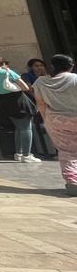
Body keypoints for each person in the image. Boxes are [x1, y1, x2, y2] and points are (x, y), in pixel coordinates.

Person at [0, 56, 38, 162]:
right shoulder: (7, 72)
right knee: (26, 128)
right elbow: (25, 87)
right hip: (17, 100)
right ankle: (27, 155)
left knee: (18, 128)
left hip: (3, 102)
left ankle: (18, 153)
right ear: (0, 64)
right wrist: (8, 70)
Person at [34, 54, 77, 195]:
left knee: (66, 151)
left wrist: (46, 119)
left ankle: (72, 182)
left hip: (56, 119)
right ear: (70, 66)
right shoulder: (74, 79)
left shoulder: (40, 82)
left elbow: (40, 103)